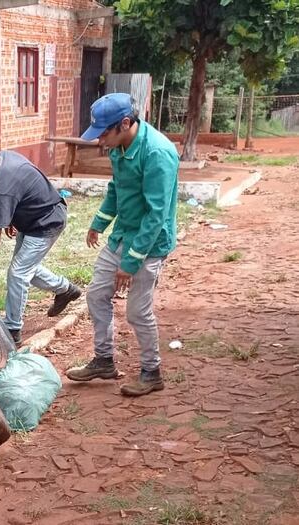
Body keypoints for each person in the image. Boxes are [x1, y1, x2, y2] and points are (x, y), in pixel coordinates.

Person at [65, 93, 179, 396]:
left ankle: (151, 372)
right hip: (122, 234)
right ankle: (104, 360)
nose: (100, 140)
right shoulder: (119, 146)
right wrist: (99, 222)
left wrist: (130, 263)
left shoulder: (157, 154)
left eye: (104, 133)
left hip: (149, 244)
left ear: (125, 123)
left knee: (137, 312)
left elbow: (156, 216)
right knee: (96, 294)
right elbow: (117, 189)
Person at [0, 140, 81, 344]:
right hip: (36, 216)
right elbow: (24, 185)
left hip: (47, 221)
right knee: (25, 268)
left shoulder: (2, 187)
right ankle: (66, 290)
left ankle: (13, 329)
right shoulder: (4, 157)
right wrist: (13, 217)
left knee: (18, 272)